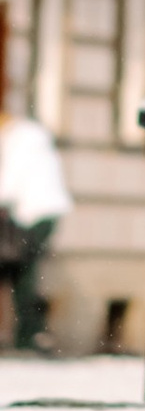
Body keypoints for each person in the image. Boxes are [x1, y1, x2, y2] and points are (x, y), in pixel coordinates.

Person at [0, 101, 67, 356]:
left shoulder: (19, 140)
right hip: (45, 213)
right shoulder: (34, 136)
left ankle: (30, 334)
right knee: (25, 273)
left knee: (22, 274)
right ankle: (31, 333)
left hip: (30, 216)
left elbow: (8, 183)